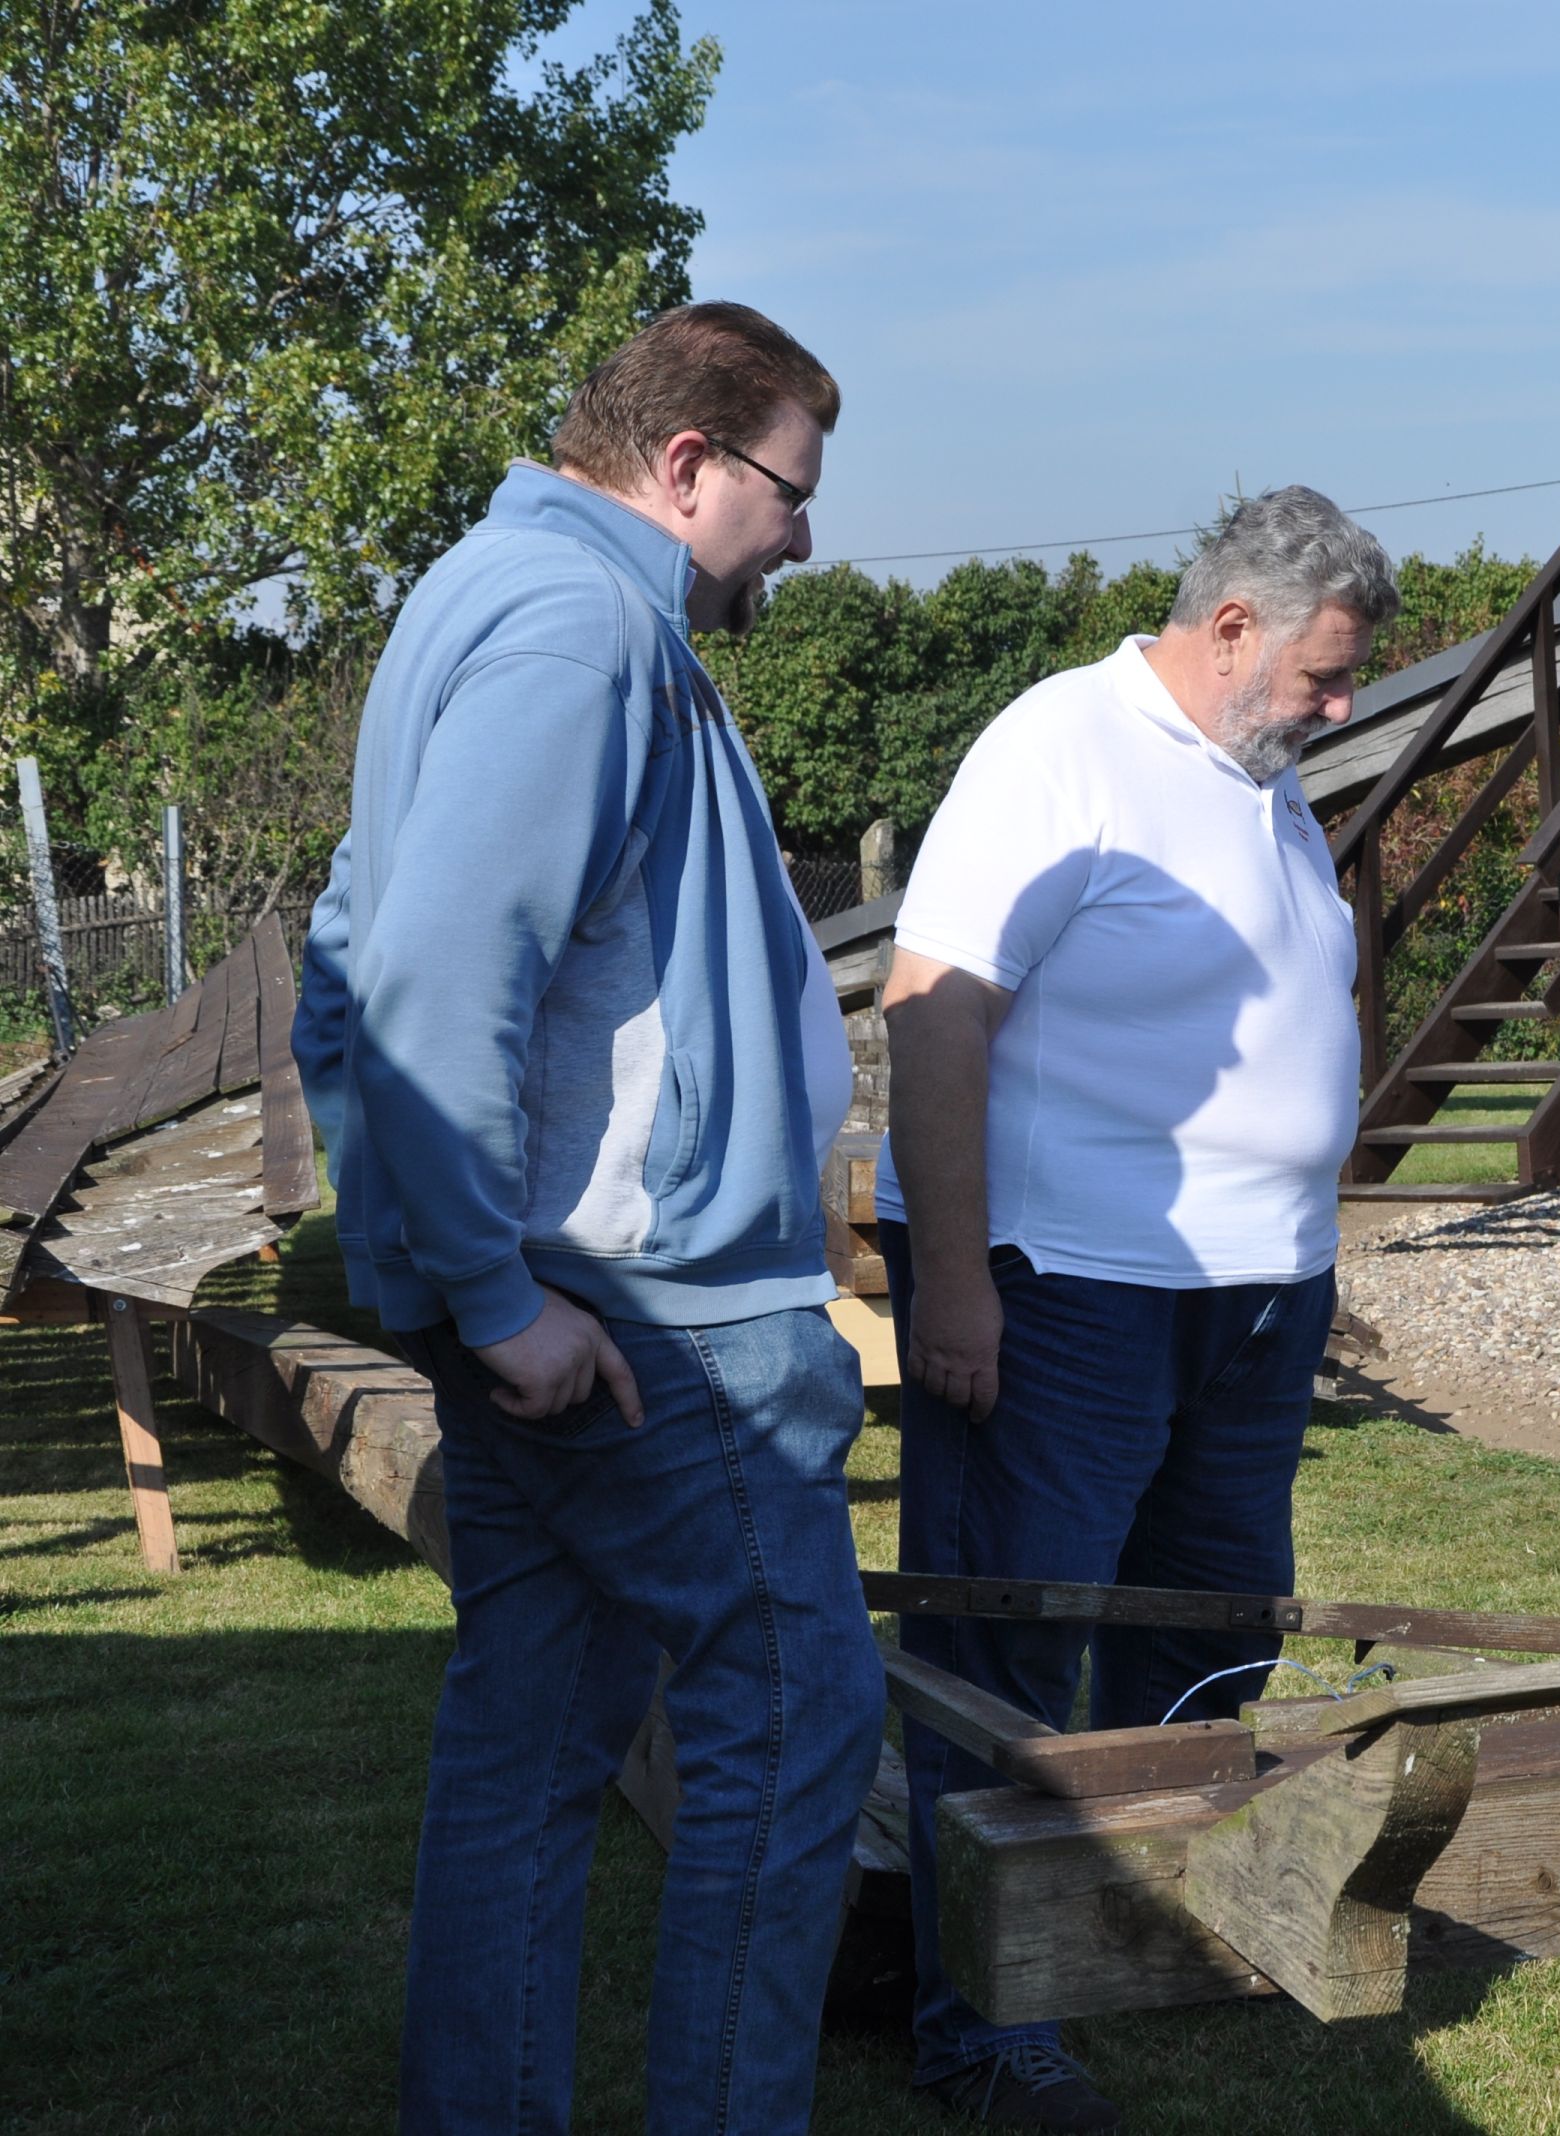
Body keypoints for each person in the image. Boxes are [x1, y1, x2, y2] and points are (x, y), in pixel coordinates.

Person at [293, 304, 876, 2133]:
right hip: (649, 1321)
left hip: (580, 1308)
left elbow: (340, 959)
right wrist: (484, 1289)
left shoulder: (497, 594)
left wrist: (445, 1269)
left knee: (533, 1745)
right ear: (688, 464)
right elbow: (424, 976)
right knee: (795, 1726)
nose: (803, 537)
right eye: (789, 490)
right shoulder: (576, 621)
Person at [875, 486, 1396, 2127]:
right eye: (1324, 674)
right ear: (1229, 625)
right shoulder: (1060, 748)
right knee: (1011, 1650)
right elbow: (931, 1014)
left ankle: (1156, 1932)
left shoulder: (1265, 777)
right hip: (1066, 1289)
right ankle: (983, 2023)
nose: (1341, 707)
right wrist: (953, 1280)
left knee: (1207, 1636)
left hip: (1254, 1298)